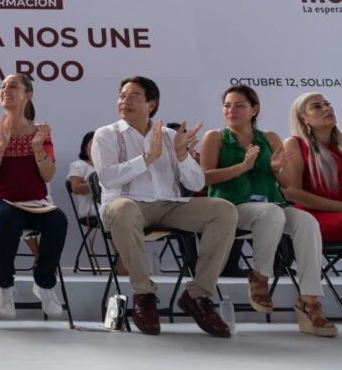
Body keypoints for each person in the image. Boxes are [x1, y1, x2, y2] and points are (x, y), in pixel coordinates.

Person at [90, 76, 237, 338]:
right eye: (122, 95)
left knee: (223, 210)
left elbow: (196, 182)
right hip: (128, 204)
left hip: (170, 205)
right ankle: (143, 293)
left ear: (151, 104)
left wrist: (182, 155)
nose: (125, 101)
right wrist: (147, 159)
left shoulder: (170, 136)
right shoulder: (106, 134)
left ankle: (197, 295)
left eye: (134, 96)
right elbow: (107, 178)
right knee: (123, 209)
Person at [201, 86, 334, 336]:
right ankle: (260, 275)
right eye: (227, 105)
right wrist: (241, 167)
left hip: (272, 205)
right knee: (270, 214)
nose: (231, 110)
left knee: (306, 221)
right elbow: (204, 178)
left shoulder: (270, 138)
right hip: (230, 207)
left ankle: (309, 300)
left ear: (254, 110)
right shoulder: (215, 137)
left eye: (239, 105)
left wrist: (274, 169)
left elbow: (286, 184)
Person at [0, 74, 68, 319]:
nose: (5, 89)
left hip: (35, 206)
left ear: (28, 95)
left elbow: (47, 174)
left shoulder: (40, 132)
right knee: (9, 217)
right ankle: (4, 286)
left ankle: (44, 283)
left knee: (58, 220)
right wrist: (2, 146)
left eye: (12, 86)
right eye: (3, 86)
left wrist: (38, 147)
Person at [277, 92, 342, 336]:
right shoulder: (294, 144)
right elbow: (291, 192)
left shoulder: (340, 144)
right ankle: (309, 303)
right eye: (317, 106)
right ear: (304, 118)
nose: (327, 109)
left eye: (328, 104)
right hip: (311, 215)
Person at [67, 131, 96, 220]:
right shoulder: (78, 165)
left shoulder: (110, 166)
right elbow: (76, 188)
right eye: (93, 144)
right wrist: (100, 185)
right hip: (92, 210)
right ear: (85, 149)